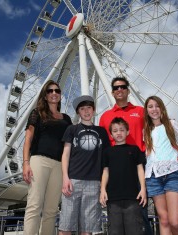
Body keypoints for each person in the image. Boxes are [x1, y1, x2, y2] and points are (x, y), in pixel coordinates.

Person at [99, 76, 152, 235]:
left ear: (128, 90)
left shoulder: (140, 112)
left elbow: (153, 131)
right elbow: (103, 147)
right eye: (116, 88)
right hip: (116, 172)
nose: (119, 90)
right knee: (116, 221)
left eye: (122, 87)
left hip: (138, 166)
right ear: (112, 92)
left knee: (141, 215)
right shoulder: (105, 117)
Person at [23, 80, 72, 235]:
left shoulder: (66, 119)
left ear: (60, 95)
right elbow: (28, 139)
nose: (54, 93)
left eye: (57, 91)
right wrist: (26, 163)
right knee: (34, 205)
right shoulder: (37, 113)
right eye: (50, 91)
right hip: (39, 160)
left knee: (51, 210)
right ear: (45, 95)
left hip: (59, 165)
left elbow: (69, 146)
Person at [143, 96, 178, 235]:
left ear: (162, 108)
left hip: (172, 173)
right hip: (153, 176)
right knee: (164, 220)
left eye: (157, 105)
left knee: (175, 221)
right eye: (150, 106)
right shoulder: (145, 131)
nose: (154, 109)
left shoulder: (171, 124)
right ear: (146, 110)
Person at [58, 95, 110, 235]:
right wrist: (65, 178)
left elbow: (106, 162)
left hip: (94, 182)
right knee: (65, 226)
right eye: (82, 109)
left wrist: (103, 186)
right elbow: (65, 154)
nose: (86, 111)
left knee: (87, 229)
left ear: (93, 110)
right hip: (73, 180)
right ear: (78, 112)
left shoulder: (102, 132)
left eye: (89, 108)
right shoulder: (72, 129)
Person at [100, 117, 147, 235]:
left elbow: (140, 169)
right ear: (111, 134)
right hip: (113, 199)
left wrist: (143, 188)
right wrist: (102, 190)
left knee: (135, 230)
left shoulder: (135, 150)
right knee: (115, 231)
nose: (118, 133)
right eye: (115, 131)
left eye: (121, 130)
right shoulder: (107, 152)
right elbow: (105, 171)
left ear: (128, 132)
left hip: (133, 197)